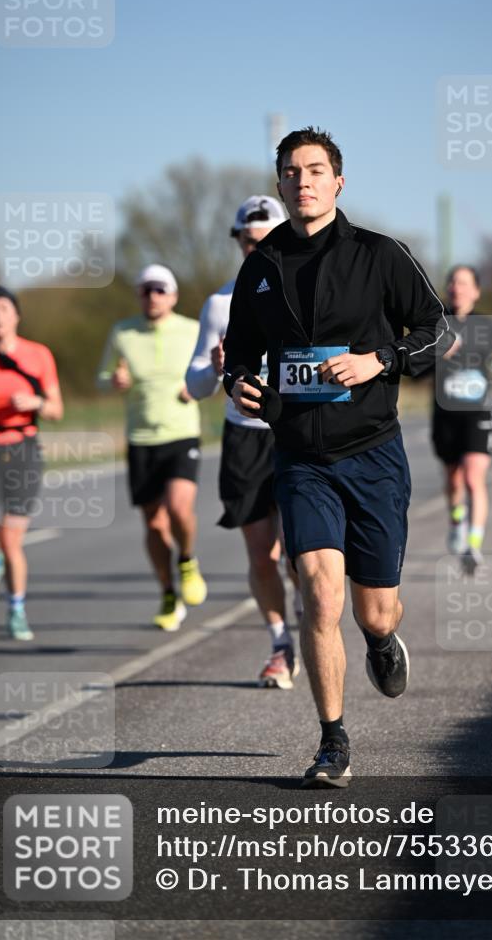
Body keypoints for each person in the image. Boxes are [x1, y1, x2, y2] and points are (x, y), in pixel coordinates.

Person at [224, 126, 450, 786]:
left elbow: (437, 330)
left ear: (338, 181)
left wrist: (379, 359)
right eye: (291, 172)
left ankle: (381, 640)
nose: (303, 181)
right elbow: (241, 350)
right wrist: (240, 376)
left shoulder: (381, 255)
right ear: (279, 184)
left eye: (315, 170)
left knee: (372, 608)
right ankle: (332, 741)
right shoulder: (260, 267)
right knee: (320, 597)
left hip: (373, 452)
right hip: (299, 456)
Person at [187, 195, 303, 689]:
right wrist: (213, 372)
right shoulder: (219, 303)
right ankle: (281, 644)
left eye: (265, 239)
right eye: (247, 241)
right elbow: (193, 385)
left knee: (302, 555)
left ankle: (309, 611)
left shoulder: (303, 291)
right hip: (244, 439)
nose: (255, 248)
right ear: (237, 241)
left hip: (296, 434)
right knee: (262, 555)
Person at [96, 264, 206, 630]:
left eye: (160, 289)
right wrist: (115, 379)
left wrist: (197, 385)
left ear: (173, 295)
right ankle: (167, 592)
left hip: (181, 433)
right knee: (154, 524)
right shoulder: (122, 332)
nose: (153, 296)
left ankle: (187, 560)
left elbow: (214, 370)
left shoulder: (192, 329)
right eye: (146, 290)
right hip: (141, 439)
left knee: (178, 508)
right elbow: (101, 377)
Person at [0, 286, 63, 640]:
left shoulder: (38, 355)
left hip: (23, 451)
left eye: (4, 308)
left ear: (16, 315)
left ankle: (16, 609)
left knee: (10, 538)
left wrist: (34, 403)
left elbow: (56, 409)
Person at [432, 265, 492, 573]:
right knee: (453, 479)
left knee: (473, 476)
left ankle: (473, 545)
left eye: (464, 283)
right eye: (452, 282)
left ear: (476, 291)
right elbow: (416, 367)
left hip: (479, 412)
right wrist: (439, 353)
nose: (457, 287)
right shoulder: (436, 324)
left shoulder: (487, 326)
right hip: (446, 414)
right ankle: (456, 522)